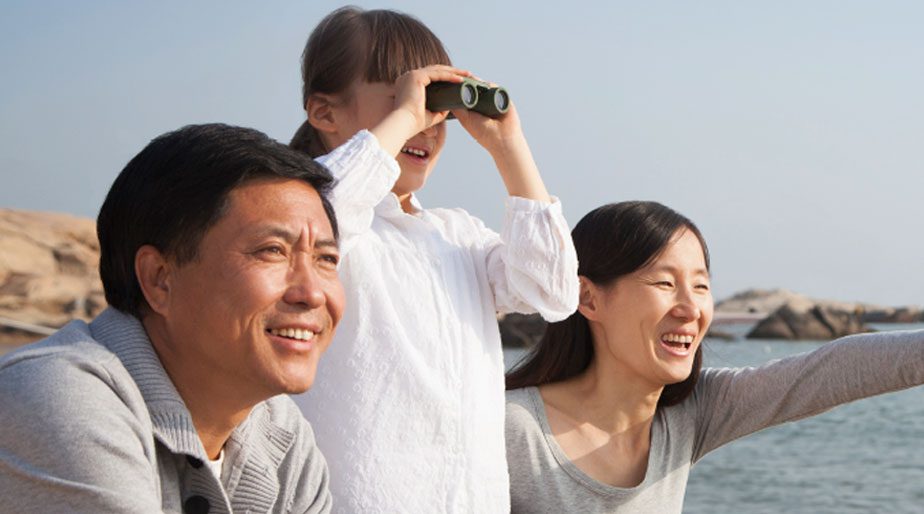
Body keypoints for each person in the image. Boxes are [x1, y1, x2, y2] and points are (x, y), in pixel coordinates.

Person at [289, 7, 579, 513]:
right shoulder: (322, 216)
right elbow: (310, 219)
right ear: (324, 112)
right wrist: (403, 120)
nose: (427, 122)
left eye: (435, 106)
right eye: (403, 98)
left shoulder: (457, 236)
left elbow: (553, 292)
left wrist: (509, 146)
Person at [0, 124, 343, 513]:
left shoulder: (280, 432)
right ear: (159, 279)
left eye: (326, 259)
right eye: (271, 251)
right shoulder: (56, 397)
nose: (312, 292)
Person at [504, 201, 924, 513]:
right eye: (665, 282)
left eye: (702, 286)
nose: (691, 308)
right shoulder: (513, 429)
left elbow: (829, 372)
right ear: (588, 298)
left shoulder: (689, 414)